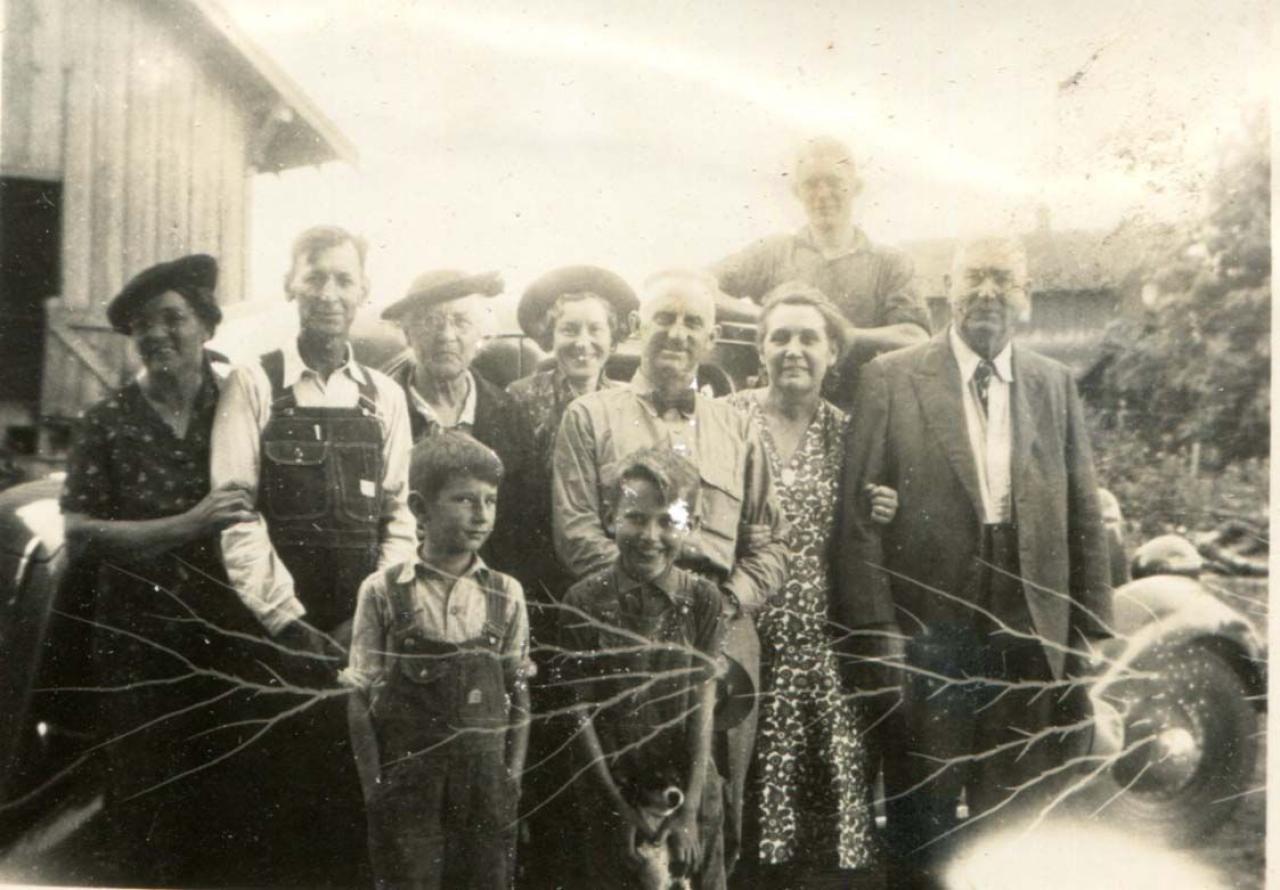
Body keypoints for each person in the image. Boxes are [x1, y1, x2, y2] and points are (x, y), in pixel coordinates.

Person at [834, 236, 1113, 888]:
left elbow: (1083, 510)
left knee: (1017, 806)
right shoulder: (891, 377)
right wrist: (878, 632)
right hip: (929, 625)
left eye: (1001, 280)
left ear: (1025, 297)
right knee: (922, 807)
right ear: (948, 291)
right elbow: (857, 521)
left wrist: (1088, 631)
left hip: (1028, 619)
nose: (987, 293)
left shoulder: (1053, 382)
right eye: (973, 279)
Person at [552, 268, 788, 875]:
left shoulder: (739, 427)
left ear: (711, 339)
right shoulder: (589, 416)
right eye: (665, 318)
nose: (678, 334)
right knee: (621, 815)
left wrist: (721, 601)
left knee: (712, 809)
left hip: (721, 626)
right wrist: (653, 593)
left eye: (693, 323)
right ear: (637, 327)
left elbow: (768, 544)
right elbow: (576, 531)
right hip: (621, 627)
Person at [211, 224, 415, 886]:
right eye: (315, 276)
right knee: (277, 804)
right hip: (277, 634)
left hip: (361, 632)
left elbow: (399, 515)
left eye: (343, 279)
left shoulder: (383, 397)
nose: (329, 292)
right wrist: (286, 621)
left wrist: (369, 617)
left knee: (355, 798)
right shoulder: (254, 383)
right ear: (290, 285)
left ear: (364, 291)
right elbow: (236, 512)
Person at [60, 254, 259, 885]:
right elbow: (80, 534)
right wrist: (189, 524)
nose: (157, 333)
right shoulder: (106, 421)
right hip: (137, 642)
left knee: (228, 802)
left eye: (172, 317)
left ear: (206, 325)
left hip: (227, 636)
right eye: (142, 324)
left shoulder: (240, 407)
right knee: (145, 804)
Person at [724, 282, 897, 875]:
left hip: (825, 648)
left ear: (833, 353)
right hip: (743, 640)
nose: (793, 350)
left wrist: (887, 506)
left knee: (834, 808)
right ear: (760, 349)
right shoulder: (727, 419)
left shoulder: (849, 435)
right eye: (780, 337)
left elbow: (872, 525)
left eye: (808, 338)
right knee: (745, 808)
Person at [345, 432, 531, 890]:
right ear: (420, 508)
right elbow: (359, 696)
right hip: (409, 792)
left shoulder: (506, 593)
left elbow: (519, 693)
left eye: (490, 500)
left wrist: (511, 780)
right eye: (464, 499)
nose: (481, 514)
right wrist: (374, 791)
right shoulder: (383, 590)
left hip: (487, 792)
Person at [503, 264, 638, 887]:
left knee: (607, 736)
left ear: (613, 337)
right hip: (540, 594)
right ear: (548, 336)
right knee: (546, 735)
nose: (582, 343)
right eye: (569, 331)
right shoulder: (519, 401)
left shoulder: (628, 403)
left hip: (608, 595)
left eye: (594, 331)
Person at [559, 448, 725, 889]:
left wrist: (690, 810)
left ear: (691, 524)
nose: (650, 536)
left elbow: (703, 705)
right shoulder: (582, 601)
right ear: (609, 516)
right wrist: (616, 808)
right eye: (635, 518)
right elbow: (579, 713)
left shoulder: (703, 600)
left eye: (667, 521)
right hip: (611, 789)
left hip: (688, 788)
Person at [712, 136, 929, 405]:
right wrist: (768, 317)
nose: (823, 194)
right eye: (811, 184)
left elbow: (915, 336)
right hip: (783, 411)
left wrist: (838, 333)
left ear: (856, 187)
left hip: (861, 411)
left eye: (835, 182)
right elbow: (700, 290)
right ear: (796, 191)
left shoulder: (890, 262)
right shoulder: (772, 253)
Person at [379, 268, 527, 572]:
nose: (446, 335)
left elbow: (523, 529)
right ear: (407, 333)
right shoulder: (381, 409)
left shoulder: (509, 413)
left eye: (461, 321)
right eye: (430, 321)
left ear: (480, 334)